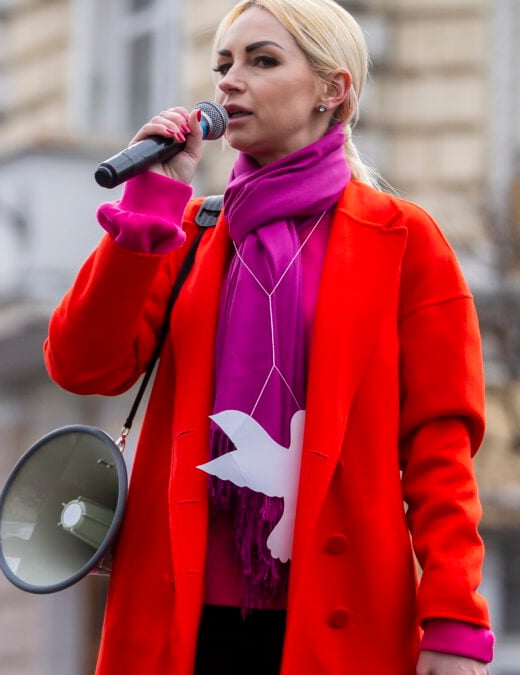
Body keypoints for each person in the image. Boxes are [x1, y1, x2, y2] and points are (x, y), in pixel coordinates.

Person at [43, 0, 494, 673]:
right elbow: (83, 365)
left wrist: (454, 616)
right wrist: (146, 211)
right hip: (179, 616)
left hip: (341, 616)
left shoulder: (403, 239)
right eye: (223, 63)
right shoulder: (187, 230)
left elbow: (440, 445)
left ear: (331, 91)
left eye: (261, 61)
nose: (229, 81)